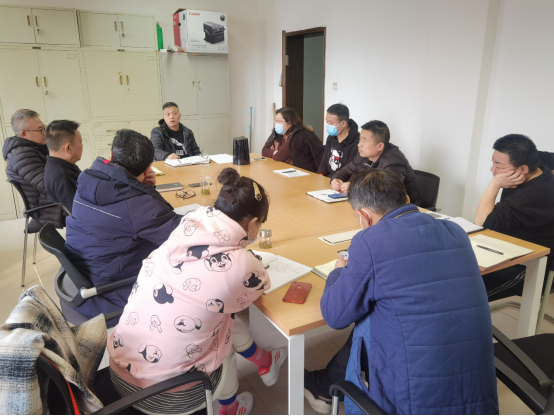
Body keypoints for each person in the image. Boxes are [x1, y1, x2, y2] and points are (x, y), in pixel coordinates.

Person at [310, 169, 498, 415]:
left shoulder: (368, 242)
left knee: (366, 316)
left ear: (363, 216)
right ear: (407, 200)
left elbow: (335, 315)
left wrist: (338, 272)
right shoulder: (456, 232)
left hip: (414, 404)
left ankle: (322, 385)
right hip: (477, 399)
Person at [108, 168, 288, 416]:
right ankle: (231, 408)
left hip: (119, 372)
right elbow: (261, 285)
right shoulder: (242, 265)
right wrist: (246, 255)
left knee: (216, 312)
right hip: (168, 396)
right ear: (253, 224)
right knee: (222, 332)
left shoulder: (188, 224)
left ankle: (264, 361)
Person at [66, 130, 182, 323]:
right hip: (110, 290)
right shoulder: (138, 204)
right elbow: (183, 235)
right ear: (148, 168)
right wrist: (147, 193)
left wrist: (145, 189)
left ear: (111, 156)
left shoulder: (87, 179)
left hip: (84, 272)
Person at [475, 134, 554, 301]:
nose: (492, 169)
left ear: (522, 170)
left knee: (469, 297)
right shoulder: (537, 162)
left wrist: (495, 184)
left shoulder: (528, 197)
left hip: (528, 265)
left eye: (498, 165)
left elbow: (481, 223)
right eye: (493, 162)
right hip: (505, 247)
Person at [330, 120, 421, 205]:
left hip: (403, 209)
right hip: (371, 204)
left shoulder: (393, 161)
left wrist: (355, 188)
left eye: (364, 140)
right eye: (360, 139)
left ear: (380, 146)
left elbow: (387, 192)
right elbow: (346, 170)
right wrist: (337, 179)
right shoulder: (363, 155)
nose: (359, 144)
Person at [2, 109, 64, 230]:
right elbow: (49, 186)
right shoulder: (22, 155)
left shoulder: (35, 149)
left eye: (44, 128)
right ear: (23, 134)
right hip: (49, 208)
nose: (45, 133)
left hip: (51, 201)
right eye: (40, 130)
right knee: (96, 208)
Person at [261, 107, 324, 173]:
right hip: (286, 169)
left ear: (289, 124)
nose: (277, 124)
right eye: (276, 121)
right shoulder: (278, 132)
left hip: (305, 172)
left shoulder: (297, 135)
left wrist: (274, 153)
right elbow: (264, 150)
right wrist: (274, 152)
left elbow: (278, 157)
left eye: (280, 121)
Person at [44, 120, 83, 214]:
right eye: (80, 142)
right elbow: (79, 213)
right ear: (68, 148)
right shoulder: (63, 176)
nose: (82, 146)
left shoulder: (55, 166)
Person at [318, 104, 360, 177]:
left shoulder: (357, 142)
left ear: (343, 123)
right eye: (327, 121)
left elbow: (349, 171)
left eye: (331, 123)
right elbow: (325, 159)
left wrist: (334, 180)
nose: (328, 125)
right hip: (327, 178)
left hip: (341, 180)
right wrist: (321, 174)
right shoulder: (331, 137)